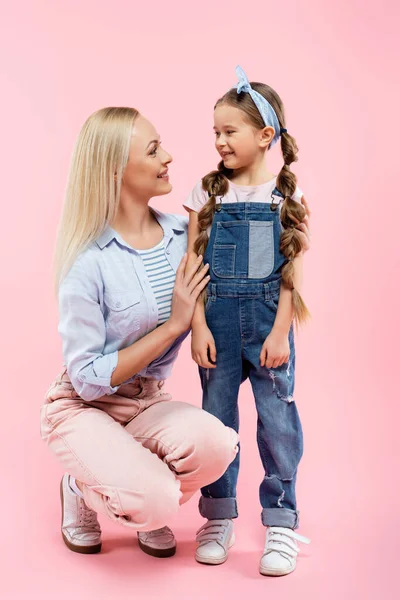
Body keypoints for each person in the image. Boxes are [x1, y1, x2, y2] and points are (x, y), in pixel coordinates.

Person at [40, 106, 240, 559]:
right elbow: (88, 376)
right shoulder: (87, 262)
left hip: (144, 400)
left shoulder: (181, 236)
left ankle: (130, 481)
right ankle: (84, 486)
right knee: (156, 502)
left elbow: (248, 251)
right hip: (82, 405)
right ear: (116, 169)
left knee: (218, 445)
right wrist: (174, 324)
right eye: (153, 150)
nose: (168, 156)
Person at [184, 66, 311, 576]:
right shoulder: (207, 193)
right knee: (217, 422)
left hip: (267, 330)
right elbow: (192, 264)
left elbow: (291, 274)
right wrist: (197, 324)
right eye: (215, 131)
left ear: (265, 136)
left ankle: (281, 522)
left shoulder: (286, 199)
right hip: (216, 325)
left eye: (229, 131)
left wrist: (281, 331)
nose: (219, 140)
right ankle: (218, 515)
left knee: (277, 423)